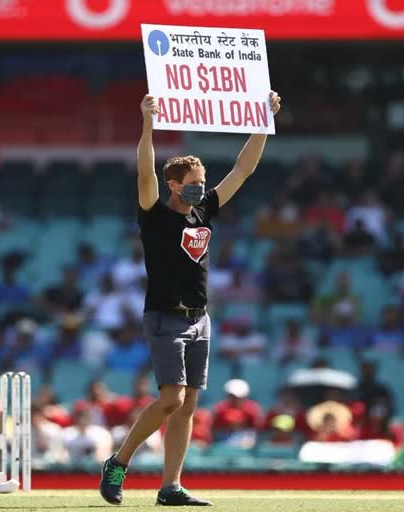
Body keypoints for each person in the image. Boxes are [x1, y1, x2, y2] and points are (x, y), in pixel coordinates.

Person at [100, 91, 281, 507]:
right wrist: (148, 123)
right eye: (193, 185)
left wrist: (263, 120)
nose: (201, 190)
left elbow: (244, 168)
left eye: (202, 183)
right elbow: (145, 170)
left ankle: (171, 487)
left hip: (200, 319)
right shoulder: (154, 213)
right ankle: (119, 461)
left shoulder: (204, 211)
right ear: (174, 186)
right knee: (171, 399)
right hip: (165, 317)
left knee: (187, 409)